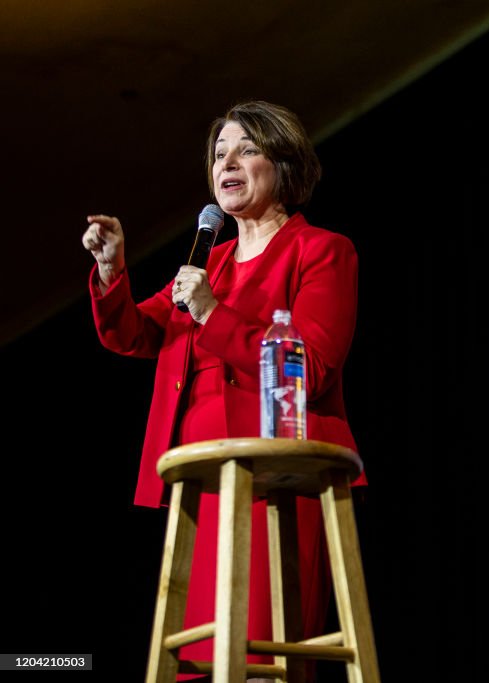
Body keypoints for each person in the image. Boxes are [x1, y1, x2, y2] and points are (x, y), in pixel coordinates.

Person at [82, 101, 360, 682]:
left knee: (260, 656)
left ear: (283, 165)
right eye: (217, 154)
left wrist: (212, 313)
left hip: (275, 477)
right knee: (198, 664)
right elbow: (134, 334)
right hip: (203, 484)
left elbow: (307, 369)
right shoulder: (214, 263)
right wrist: (112, 272)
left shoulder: (321, 251)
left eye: (245, 149)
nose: (226, 162)